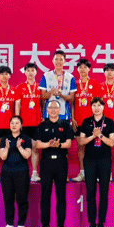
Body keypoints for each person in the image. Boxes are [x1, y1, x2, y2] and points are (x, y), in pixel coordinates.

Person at [35, 99, 73, 227]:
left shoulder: (66, 125)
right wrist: (49, 144)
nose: (53, 110)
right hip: (46, 163)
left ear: (59, 110)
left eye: (55, 108)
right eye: (50, 108)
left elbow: (68, 143)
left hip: (61, 163)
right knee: (45, 194)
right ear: (47, 110)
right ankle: (45, 225)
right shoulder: (42, 125)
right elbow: (38, 144)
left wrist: (59, 145)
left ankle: (60, 225)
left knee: (61, 194)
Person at [79, 97, 114, 227]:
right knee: (90, 192)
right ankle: (91, 223)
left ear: (103, 107)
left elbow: (111, 143)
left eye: (99, 105)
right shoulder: (86, 122)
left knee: (104, 192)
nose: (96, 108)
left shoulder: (110, 122)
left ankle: (101, 223)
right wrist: (92, 136)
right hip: (89, 161)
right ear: (91, 107)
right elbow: (81, 141)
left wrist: (100, 136)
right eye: (94, 105)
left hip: (104, 160)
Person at [40, 50, 77, 181]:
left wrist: (61, 95)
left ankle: (64, 174)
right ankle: (47, 173)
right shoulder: (46, 76)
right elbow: (43, 96)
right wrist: (51, 92)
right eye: (56, 59)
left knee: (63, 147)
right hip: (49, 116)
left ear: (65, 61)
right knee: (47, 144)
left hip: (64, 116)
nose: (59, 62)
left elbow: (71, 98)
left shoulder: (70, 77)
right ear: (53, 61)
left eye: (61, 59)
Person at [0, 115, 32, 227]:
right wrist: (7, 148)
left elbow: (27, 155)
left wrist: (19, 147)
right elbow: (2, 157)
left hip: (21, 172)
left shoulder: (26, 138)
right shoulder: (5, 139)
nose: (14, 125)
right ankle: (9, 223)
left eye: (17, 123)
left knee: (22, 198)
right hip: (7, 172)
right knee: (8, 198)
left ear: (21, 125)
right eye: (12, 123)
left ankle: (21, 224)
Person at [71, 59, 102, 184]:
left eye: (85, 67)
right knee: (81, 147)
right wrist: (73, 118)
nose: (83, 69)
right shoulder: (74, 84)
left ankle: (95, 173)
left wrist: (97, 120)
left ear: (89, 69)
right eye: (80, 67)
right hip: (78, 121)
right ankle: (82, 172)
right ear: (77, 69)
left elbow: (98, 104)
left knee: (94, 147)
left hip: (91, 121)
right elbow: (72, 103)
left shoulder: (94, 83)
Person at [15, 62, 44, 182]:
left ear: (36, 72)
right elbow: (17, 105)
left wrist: (43, 118)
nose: (30, 73)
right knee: (23, 149)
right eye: (28, 70)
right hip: (24, 124)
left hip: (37, 123)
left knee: (35, 149)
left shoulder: (40, 87)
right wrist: (17, 121)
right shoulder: (20, 87)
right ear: (25, 72)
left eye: (33, 70)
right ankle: (22, 172)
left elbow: (43, 104)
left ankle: (35, 173)